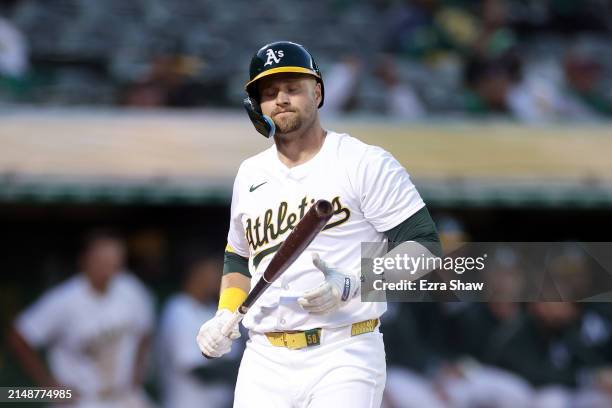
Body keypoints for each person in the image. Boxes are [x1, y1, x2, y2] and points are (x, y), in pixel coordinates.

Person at [196, 41, 440, 408]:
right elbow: (238, 256)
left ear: (318, 92)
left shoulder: (364, 161)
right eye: (269, 92)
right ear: (256, 105)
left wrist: (358, 281)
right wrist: (225, 313)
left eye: (293, 88)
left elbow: (424, 247)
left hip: (344, 350)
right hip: (264, 358)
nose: (281, 98)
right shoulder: (249, 174)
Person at [8, 230, 155, 408]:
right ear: (84, 260)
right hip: (82, 400)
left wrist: (137, 373)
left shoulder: (131, 289)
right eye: (102, 259)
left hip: (123, 397)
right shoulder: (64, 299)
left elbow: (145, 330)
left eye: (114, 260)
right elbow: (19, 336)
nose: (108, 266)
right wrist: (49, 387)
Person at [158, 253, 241, 408]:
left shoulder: (214, 309)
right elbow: (195, 369)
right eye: (212, 271)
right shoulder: (178, 309)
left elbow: (232, 355)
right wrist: (239, 371)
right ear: (196, 274)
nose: (218, 277)